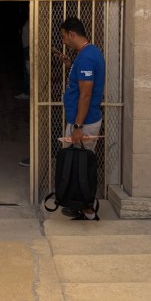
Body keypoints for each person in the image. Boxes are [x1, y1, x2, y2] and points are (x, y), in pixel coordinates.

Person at [56, 17, 105, 215]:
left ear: (72, 34)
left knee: (81, 166)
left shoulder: (86, 58)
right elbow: (82, 82)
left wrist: (77, 126)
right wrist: (70, 65)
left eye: (64, 36)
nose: (63, 41)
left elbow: (85, 94)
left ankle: (85, 207)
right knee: (79, 164)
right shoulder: (87, 53)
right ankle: (79, 205)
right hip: (82, 119)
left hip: (83, 121)